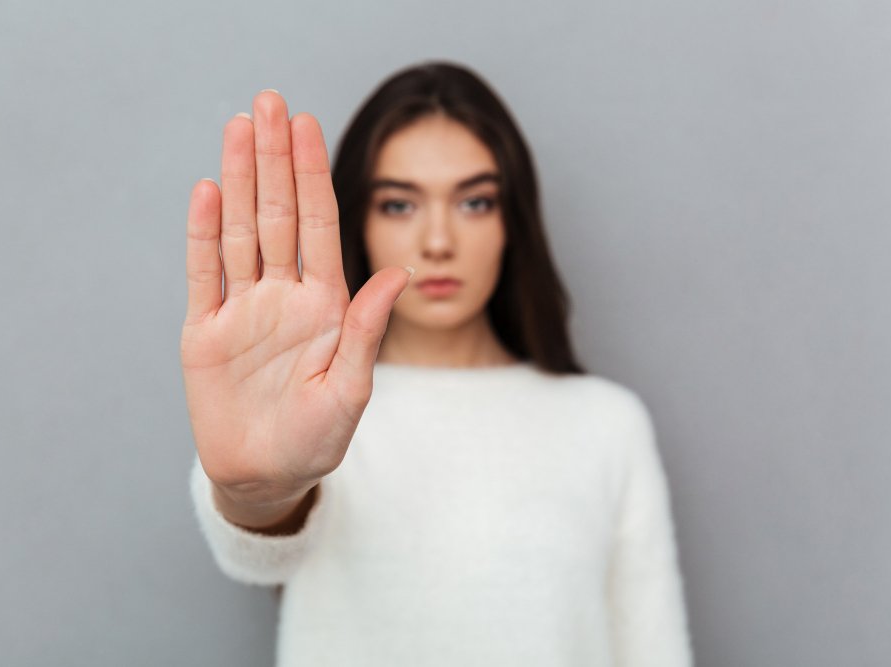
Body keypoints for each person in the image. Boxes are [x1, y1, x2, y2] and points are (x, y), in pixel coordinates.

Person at [181, 61, 693, 666]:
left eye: (474, 202)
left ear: (512, 221)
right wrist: (257, 494)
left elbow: (653, 650)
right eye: (400, 205)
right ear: (361, 223)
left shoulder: (605, 424)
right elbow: (257, 547)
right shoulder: (309, 404)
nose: (439, 241)